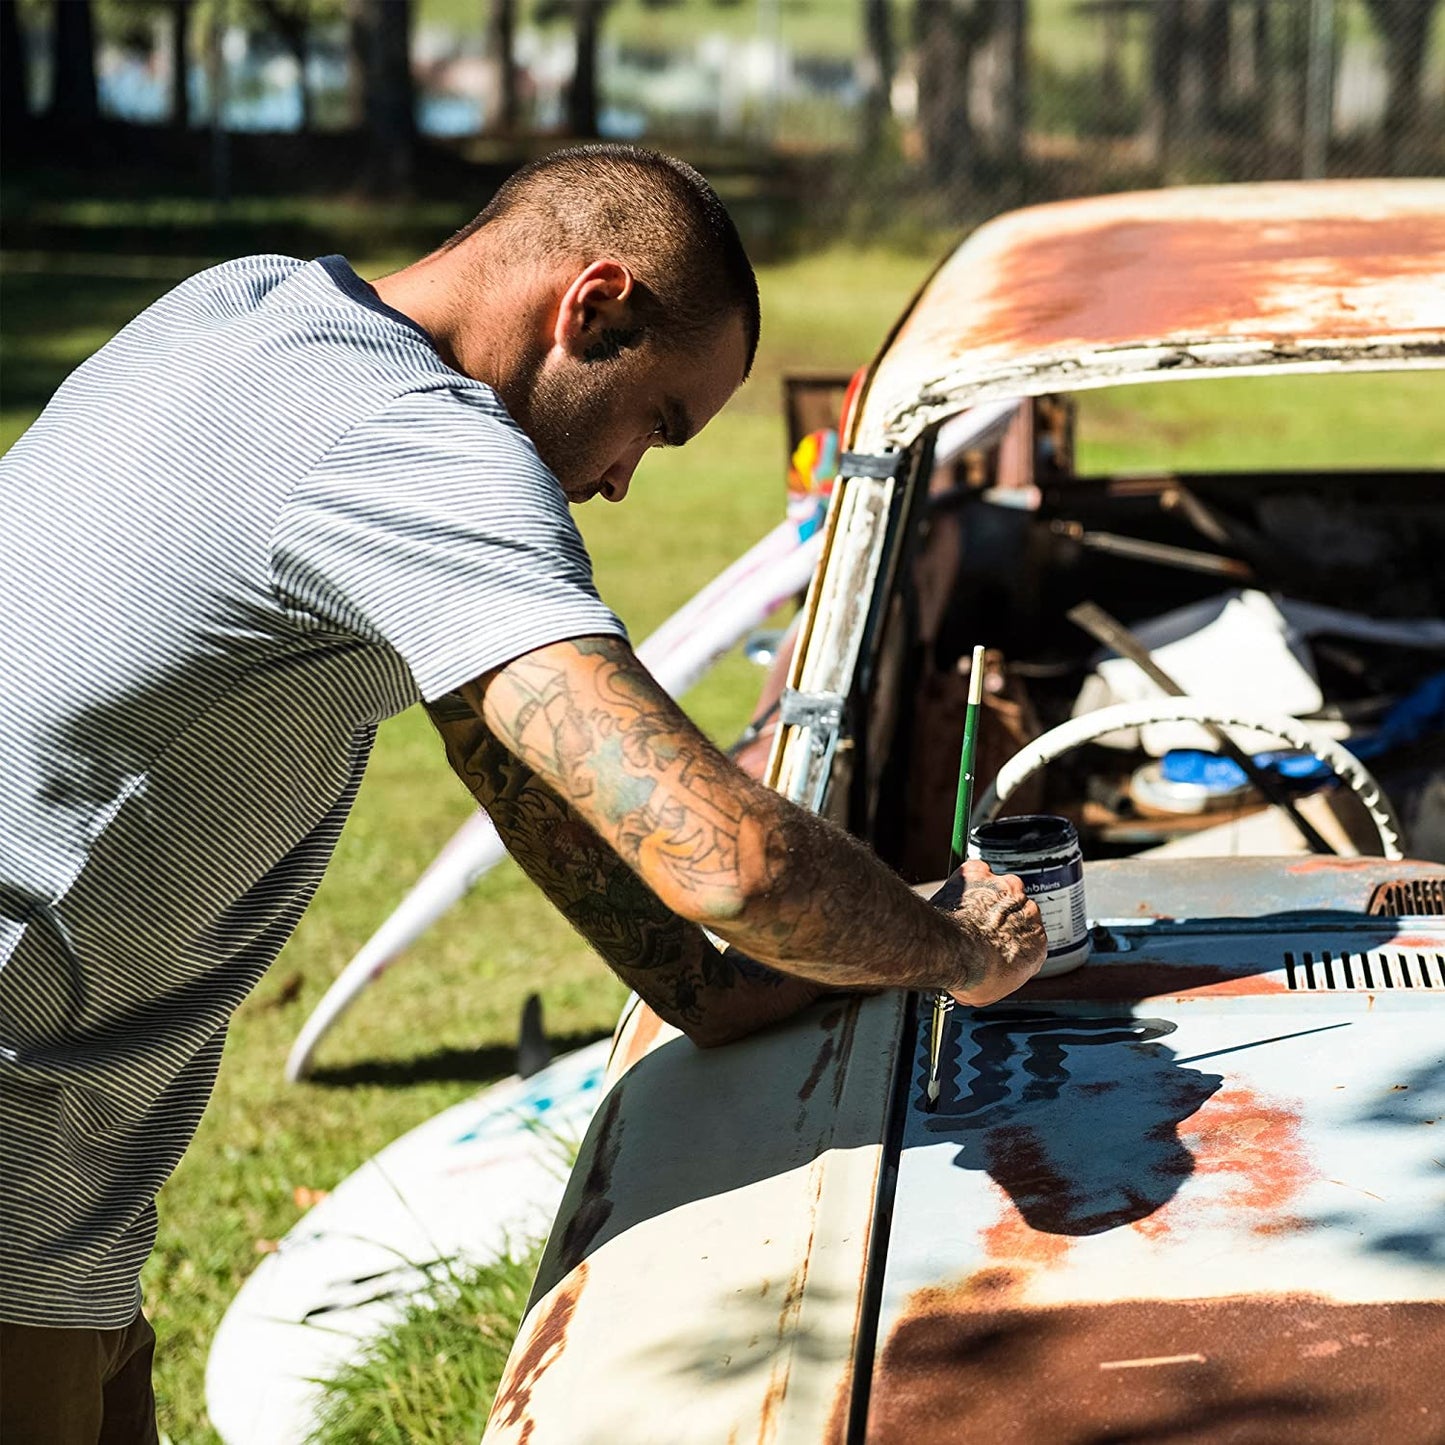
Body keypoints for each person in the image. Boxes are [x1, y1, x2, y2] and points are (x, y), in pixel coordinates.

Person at [0, 144, 1045, 1441]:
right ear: (592, 307)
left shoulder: (245, 305)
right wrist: (956, 946)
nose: (621, 479)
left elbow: (506, 759)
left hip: (63, 1197)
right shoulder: (420, 444)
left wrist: (714, 996)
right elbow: (732, 863)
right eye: (657, 421)